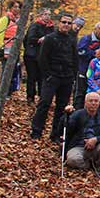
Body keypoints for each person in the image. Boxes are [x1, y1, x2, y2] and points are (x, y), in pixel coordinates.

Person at [31, 12, 78, 141]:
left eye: (69, 23)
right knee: (44, 103)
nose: (66, 25)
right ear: (59, 23)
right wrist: (48, 75)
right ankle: (36, 131)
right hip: (52, 76)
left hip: (67, 78)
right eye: (64, 22)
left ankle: (56, 134)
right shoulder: (50, 38)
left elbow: (75, 60)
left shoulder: (72, 40)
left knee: (62, 107)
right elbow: (42, 59)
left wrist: (73, 76)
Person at [63, 92, 100, 176]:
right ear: (85, 102)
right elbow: (66, 129)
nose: (93, 103)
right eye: (91, 101)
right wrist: (67, 114)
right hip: (78, 146)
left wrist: (96, 139)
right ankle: (88, 166)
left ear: (99, 103)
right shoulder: (77, 114)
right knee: (73, 159)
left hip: (96, 147)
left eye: (96, 101)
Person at [75, 21, 100, 109]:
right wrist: (94, 53)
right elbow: (80, 52)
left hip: (96, 75)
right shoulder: (86, 39)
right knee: (80, 95)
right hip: (83, 71)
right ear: (95, 29)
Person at [23, 8, 53, 103]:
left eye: (49, 14)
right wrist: (41, 39)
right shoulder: (35, 26)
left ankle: (41, 97)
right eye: (45, 14)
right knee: (32, 77)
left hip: (44, 57)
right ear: (41, 15)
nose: (47, 16)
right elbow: (29, 39)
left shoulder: (51, 28)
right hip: (31, 55)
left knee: (42, 78)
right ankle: (30, 97)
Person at [0, 0, 22, 98]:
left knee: (13, 71)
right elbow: (0, 34)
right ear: (10, 7)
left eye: (19, 7)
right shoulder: (5, 19)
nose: (17, 9)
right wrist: (1, 48)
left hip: (15, 49)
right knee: (5, 70)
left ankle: (9, 91)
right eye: (15, 7)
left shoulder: (19, 21)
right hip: (6, 48)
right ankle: (3, 92)